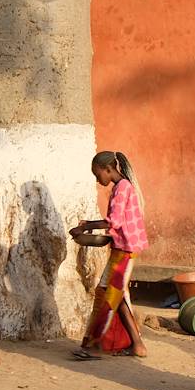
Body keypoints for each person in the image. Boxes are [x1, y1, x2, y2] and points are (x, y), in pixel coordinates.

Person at [71, 151, 149, 361]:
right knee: (115, 294)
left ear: (108, 170)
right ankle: (137, 344)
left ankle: (96, 345)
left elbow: (113, 222)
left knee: (109, 294)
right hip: (123, 247)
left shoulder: (122, 189)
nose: (98, 180)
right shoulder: (122, 186)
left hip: (125, 250)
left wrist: (87, 227)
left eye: (98, 175)